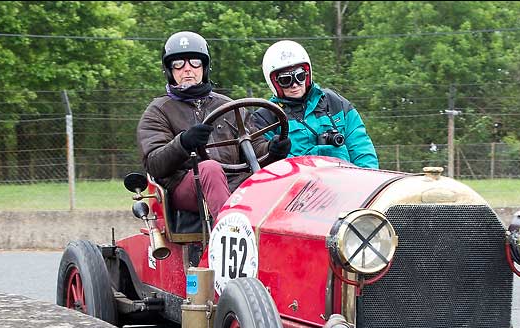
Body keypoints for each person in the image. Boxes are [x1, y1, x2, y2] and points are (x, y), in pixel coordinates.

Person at [137, 31, 290, 220]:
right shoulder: (158, 111)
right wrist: (183, 143)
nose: (187, 69)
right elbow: (154, 164)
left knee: (280, 180)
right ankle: (227, 231)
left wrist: (273, 150)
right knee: (210, 168)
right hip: (187, 185)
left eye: (195, 62)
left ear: (204, 67)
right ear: (169, 70)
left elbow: (253, 148)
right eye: (178, 64)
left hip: (235, 181)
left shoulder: (227, 105)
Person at [251, 40, 378, 169]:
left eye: (299, 76)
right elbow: (260, 164)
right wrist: (272, 152)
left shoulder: (334, 103)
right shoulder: (266, 118)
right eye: (286, 80)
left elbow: (360, 146)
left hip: (344, 181)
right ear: (274, 83)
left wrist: (369, 179)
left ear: (307, 74)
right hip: (298, 185)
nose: (294, 84)